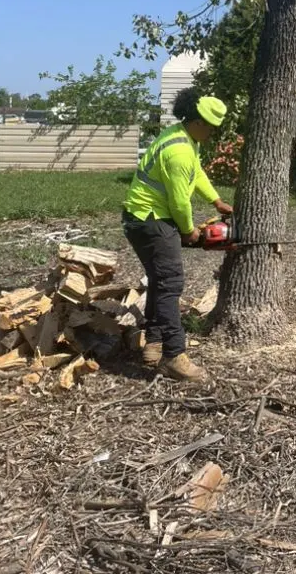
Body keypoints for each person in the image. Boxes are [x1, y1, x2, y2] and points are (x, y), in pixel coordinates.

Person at [122, 87, 233, 382]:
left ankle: (154, 342)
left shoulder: (182, 136)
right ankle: (174, 355)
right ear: (199, 122)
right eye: (212, 128)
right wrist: (188, 231)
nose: (213, 134)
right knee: (171, 282)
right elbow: (180, 202)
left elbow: (196, 172)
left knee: (161, 279)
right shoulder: (179, 151)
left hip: (142, 217)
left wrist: (216, 200)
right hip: (151, 221)